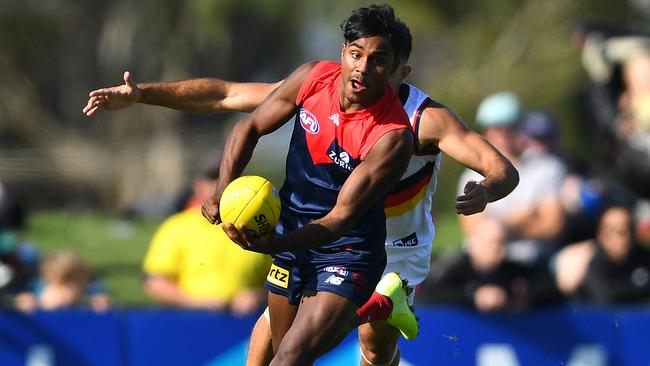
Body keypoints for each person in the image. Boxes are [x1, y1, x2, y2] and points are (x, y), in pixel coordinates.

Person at [83, 5, 519, 365]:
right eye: (356, 54)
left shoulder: (417, 123)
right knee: (267, 340)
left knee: (371, 345)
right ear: (345, 53)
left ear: (402, 70)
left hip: (390, 247)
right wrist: (142, 94)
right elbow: (226, 96)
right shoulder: (318, 80)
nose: (366, 70)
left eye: (381, 62)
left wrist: (486, 190)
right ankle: (379, 306)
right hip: (310, 230)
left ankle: (384, 304)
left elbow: (500, 169)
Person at [141, 155, 270, 315]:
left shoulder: (258, 226)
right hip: (192, 323)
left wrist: (258, 295)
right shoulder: (176, 227)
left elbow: (284, 278)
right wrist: (199, 303)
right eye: (214, 178)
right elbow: (155, 283)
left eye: (229, 177)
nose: (220, 185)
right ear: (198, 185)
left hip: (246, 325)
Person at [458, 99, 566, 268]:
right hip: (487, 262)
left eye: (509, 127)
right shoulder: (470, 175)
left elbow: (553, 225)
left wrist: (499, 226)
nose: (502, 135)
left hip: (533, 260)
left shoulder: (546, 167)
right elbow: (473, 229)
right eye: (494, 128)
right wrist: (526, 216)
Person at [419, 219, 559, 312]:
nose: (498, 249)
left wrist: (526, 297)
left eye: (502, 243)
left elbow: (552, 289)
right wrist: (474, 297)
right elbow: (430, 294)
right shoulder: (454, 267)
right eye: (491, 243)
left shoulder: (511, 269)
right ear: (474, 243)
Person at [576, 204, 650, 304]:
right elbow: (605, 299)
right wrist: (638, 287)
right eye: (619, 231)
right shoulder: (597, 266)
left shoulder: (644, 258)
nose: (625, 236)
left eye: (629, 228)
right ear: (602, 236)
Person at [13, 250, 110, 312]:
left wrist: (100, 306)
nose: (65, 295)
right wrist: (21, 303)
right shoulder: (33, 296)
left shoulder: (84, 300)